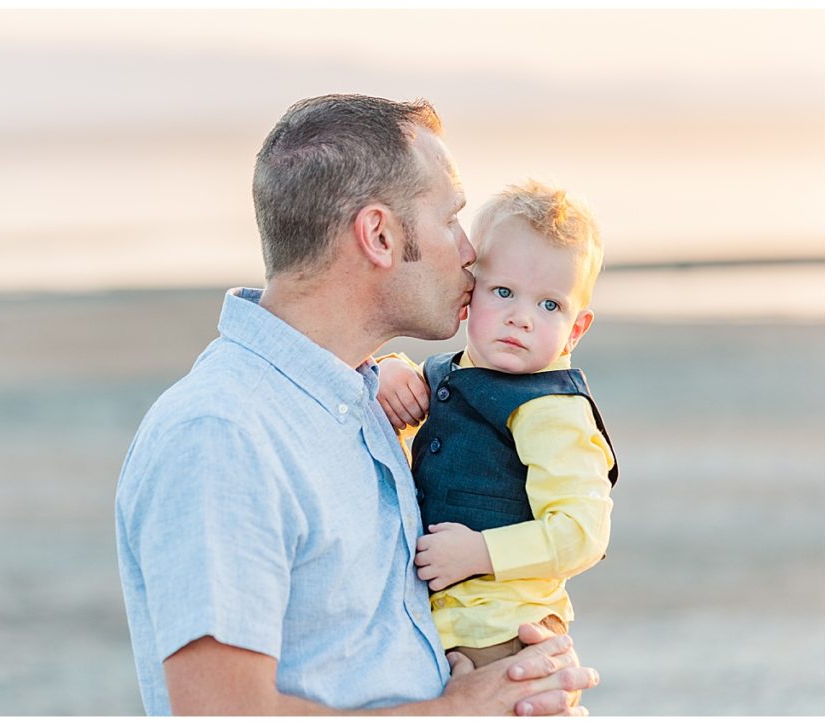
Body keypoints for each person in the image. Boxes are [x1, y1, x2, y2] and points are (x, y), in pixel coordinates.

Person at [114, 95, 599, 715]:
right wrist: (456, 713)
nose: (470, 251)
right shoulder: (223, 433)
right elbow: (221, 713)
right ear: (379, 235)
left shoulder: (361, 398)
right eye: (451, 219)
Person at [375, 181, 618, 686]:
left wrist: (482, 552)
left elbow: (583, 532)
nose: (521, 318)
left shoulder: (551, 410)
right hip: (438, 626)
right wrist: (389, 369)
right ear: (469, 294)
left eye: (550, 305)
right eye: (503, 292)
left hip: (504, 632)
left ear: (577, 328)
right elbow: (421, 398)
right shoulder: (449, 371)